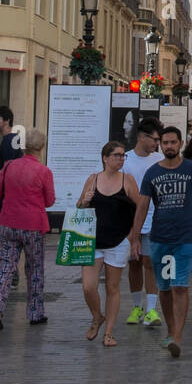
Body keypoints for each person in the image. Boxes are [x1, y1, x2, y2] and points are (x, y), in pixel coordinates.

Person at [130, 126, 192, 357]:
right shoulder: (152, 173)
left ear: (181, 143)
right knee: (164, 288)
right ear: (160, 145)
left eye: (173, 142)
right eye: (165, 143)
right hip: (160, 239)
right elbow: (143, 206)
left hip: (185, 238)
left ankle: (178, 337)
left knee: (180, 286)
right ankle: (171, 330)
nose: (169, 146)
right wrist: (135, 237)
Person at [0, 129, 56, 330]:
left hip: (8, 223)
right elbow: (50, 201)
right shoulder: (44, 171)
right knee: (34, 269)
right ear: (41, 148)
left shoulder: (9, 167)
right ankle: (35, 312)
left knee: (6, 268)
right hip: (34, 225)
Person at [77, 141, 140, 346]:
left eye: (123, 155)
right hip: (93, 241)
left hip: (118, 240)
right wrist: (85, 201)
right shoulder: (93, 179)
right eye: (117, 155)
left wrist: (132, 235)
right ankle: (97, 316)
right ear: (105, 158)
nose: (121, 159)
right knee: (88, 287)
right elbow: (79, 207)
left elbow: (141, 208)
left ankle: (109, 332)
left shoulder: (127, 180)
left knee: (113, 288)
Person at [121, 119, 163, 327]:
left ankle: (152, 309)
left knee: (151, 263)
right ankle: (137, 306)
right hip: (130, 221)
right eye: (154, 139)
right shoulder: (125, 160)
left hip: (154, 219)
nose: (157, 143)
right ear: (142, 137)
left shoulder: (160, 159)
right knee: (134, 263)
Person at [0, 105, 24, 285]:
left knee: (5, 236)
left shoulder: (10, 139)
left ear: (7, 120)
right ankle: (12, 275)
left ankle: (10, 276)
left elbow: (9, 166)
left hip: (5, 195)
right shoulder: (11, 139)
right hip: (8, 194)